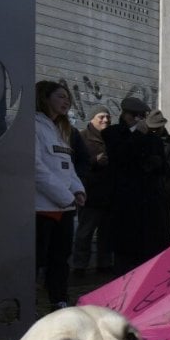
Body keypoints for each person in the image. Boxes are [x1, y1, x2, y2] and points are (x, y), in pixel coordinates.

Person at [34, 81, 86, 310]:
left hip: (64, 206)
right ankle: (27, 301)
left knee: (61, 257)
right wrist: (65, 195)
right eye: (60, 96)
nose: (66, 101)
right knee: (36, 258)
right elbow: (34, 167)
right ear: (45, 98)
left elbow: (68, 164)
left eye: (68, 98)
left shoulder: (63, 129)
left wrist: (78, 189)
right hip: (41, 206)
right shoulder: (33, 125)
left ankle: (59, 299)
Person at [102, 96, 166, 273]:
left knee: (146, 251)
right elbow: (120, 156)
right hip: (123, 202)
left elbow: (163, 165)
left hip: (147, 202)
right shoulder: (112, 133)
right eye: (138, 116)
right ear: (128, 116)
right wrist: (138, 134)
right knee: (124, 251)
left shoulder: (153, 138)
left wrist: (155, 162)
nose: (142, 120)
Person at [72, 106, 113, 274]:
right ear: (91, 119)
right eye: (101, 117)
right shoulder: (81, 137)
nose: (105, 120)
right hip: (89, 194)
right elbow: (75, 164)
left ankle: (104, 265)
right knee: (85, 233)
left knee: (107, 233)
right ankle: (79, 266)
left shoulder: (112, 138)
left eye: (108, 117)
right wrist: (94, 160)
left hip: (109, 194)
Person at [146, 110, 170, 253]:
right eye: (151, 129)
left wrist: (161, 163)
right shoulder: (144, 140)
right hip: (146, 194)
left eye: (156, 129)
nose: (154, 131)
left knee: (164, 231)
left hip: (164, 195)